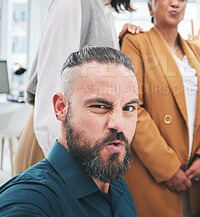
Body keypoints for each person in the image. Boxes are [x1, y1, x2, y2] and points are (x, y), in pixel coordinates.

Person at [14, 0, 139, 175]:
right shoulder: (73, 0)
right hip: (53, 142)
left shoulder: (104, 12)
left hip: (79, 144)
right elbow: (53, 83)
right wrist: (59, 162)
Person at [0, 46, 139, 216]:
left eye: (129, 108)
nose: (119, 124)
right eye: (100, 106)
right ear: (61, 108)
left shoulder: (118, 188)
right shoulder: (29, 202)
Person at [121, 0, 200, 217]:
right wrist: (167, 167)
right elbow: (133, 109)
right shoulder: (135, 43)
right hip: (154, 169)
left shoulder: (199, 51)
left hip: (195, 170)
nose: (176, 2)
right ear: (151, 4)